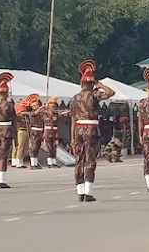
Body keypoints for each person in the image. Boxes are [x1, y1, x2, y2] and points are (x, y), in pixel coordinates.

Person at [70, 60, 115, 202]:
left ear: (81, 83)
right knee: (90, 160)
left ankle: (80, 192)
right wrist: (100, 85)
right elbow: (110, 92)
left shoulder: (75, 98)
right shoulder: (94, 94)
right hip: (90, 129)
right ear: (91, 83)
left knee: (79, 160)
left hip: (77, 129)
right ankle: (88, 192)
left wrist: (72, 138)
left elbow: (73, 119)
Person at [42, 96, 64, 168]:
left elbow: (62, 114)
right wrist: (49, 115)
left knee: (54, 147)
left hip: (55, 131)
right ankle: (49, 162)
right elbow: (46, 120)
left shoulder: (56, 114)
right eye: (52, 107)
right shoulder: (45, 114)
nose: (53, 108)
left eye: (54, 107)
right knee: (49, 147)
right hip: (48, 131)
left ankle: (54, 162)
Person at [26, 94, 45, 170]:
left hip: (40, 131)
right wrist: (41, 108)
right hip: (35, 131)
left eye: (37, 105)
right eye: (34, 106)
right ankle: (33, 164)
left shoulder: (40, 113)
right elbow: (35, 113)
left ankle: (36, 163)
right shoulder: (31, 113)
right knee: (33, 147)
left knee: (37, 147)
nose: (36, 107)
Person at [12, 100, 30, 168]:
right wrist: (19, 112)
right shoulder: (18, 117)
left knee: (25, 147)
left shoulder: (26, 117)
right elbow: (16, 117)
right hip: (20, 131)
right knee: (20, 147)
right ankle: (16, 161)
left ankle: (21, 161)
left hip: (26, 131)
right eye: (23, 109)